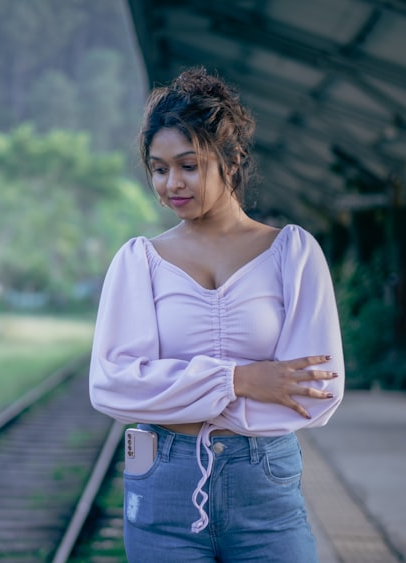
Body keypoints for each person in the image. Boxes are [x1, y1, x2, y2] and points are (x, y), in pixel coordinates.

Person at [88, 67, 345, 562]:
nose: (171, 184)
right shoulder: (139, 262)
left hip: (264, 485)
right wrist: (242, 380)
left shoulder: (292, 254)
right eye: (159, 169)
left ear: (231, 160)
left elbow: (318, 392)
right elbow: (112, 384)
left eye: (188, 165)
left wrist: (169, 394)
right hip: (163, 482)